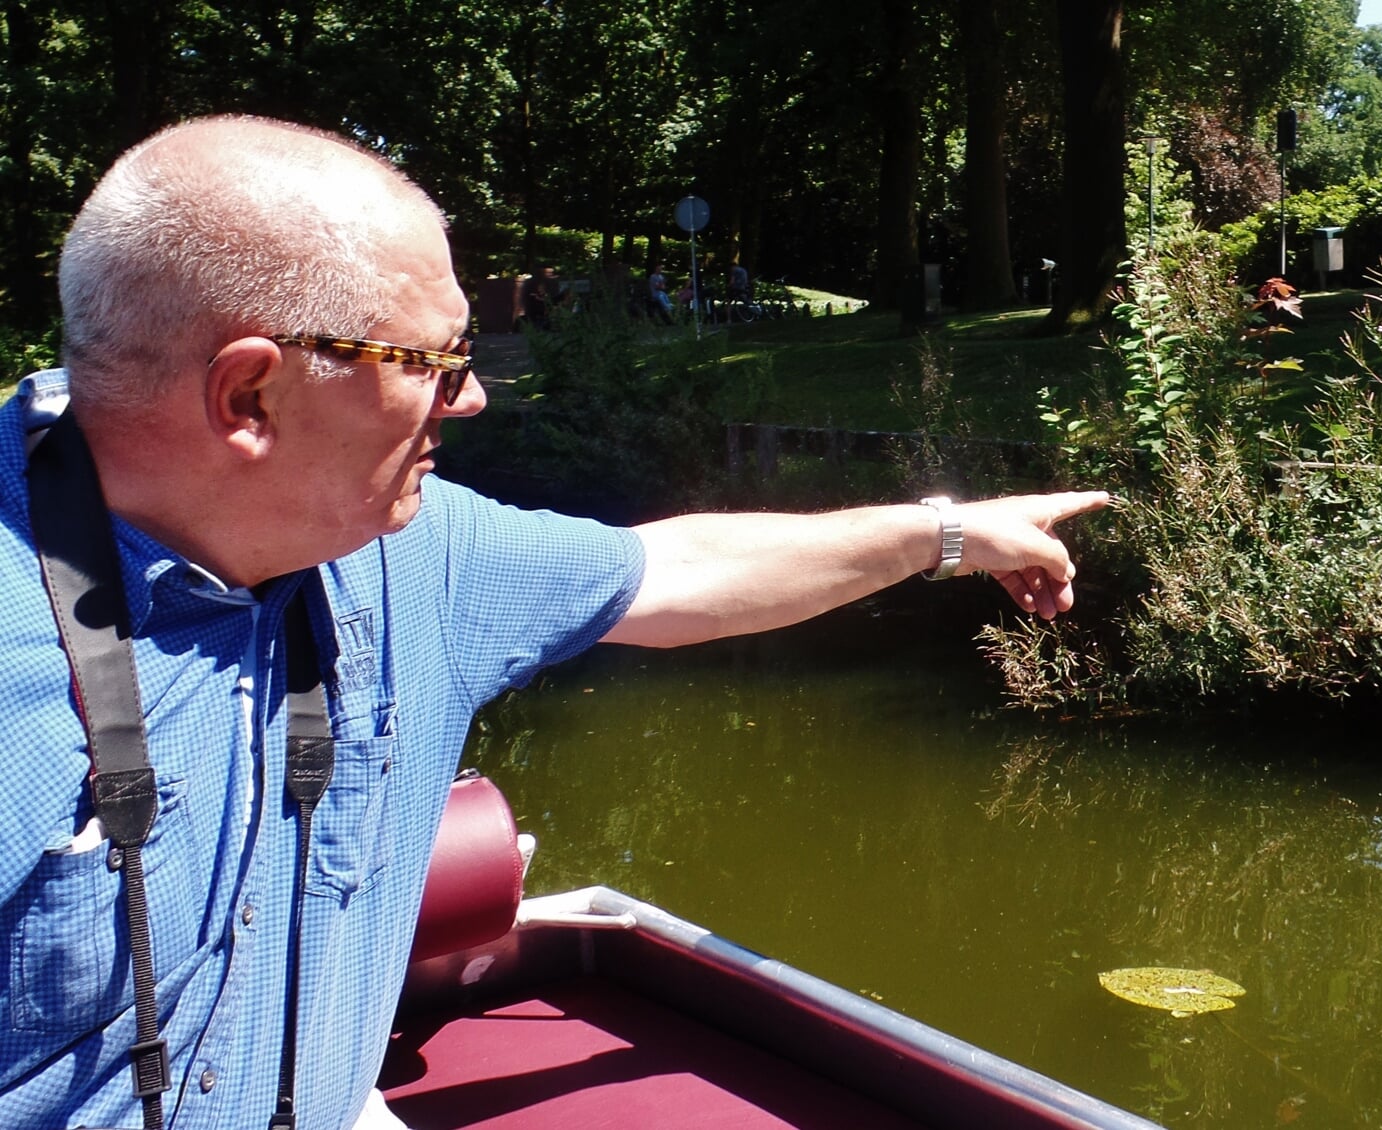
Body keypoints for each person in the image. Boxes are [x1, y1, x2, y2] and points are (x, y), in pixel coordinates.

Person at [0, 115, 1105, 1130]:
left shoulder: (410, 548)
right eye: (436, 363)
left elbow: (679, 568)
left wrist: (951, 534)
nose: (474, 397)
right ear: (250, 397)